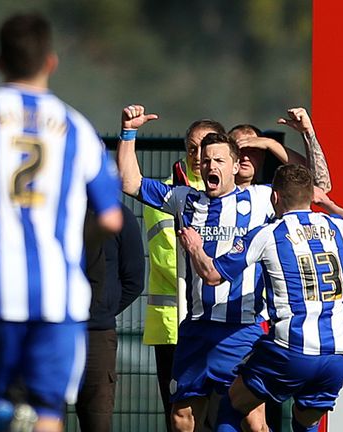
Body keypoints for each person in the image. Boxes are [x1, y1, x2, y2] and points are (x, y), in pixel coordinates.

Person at [0, 13, 123, 432]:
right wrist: (70, 245)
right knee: (48, 409)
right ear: (51, 62)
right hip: (57, 292)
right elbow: (111, 217)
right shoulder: (78, 127)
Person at [116, 105, 275, 432]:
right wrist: (128, 132)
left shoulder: (261, 199)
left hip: (241, 328)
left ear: (235, 165)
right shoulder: (183, 199)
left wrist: (278, 145)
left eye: (218, 160)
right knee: (181, 417)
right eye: (205, 160)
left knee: (253, 420)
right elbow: (130, 182)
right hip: (196, 328)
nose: (209, 165)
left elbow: (313, 185)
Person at [178, 164, 343, 432]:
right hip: (342, 353)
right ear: (310, 196)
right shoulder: (334, 226)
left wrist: (195, 247)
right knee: (304, 420)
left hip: (293, 349)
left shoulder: (269, 233)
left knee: (234, 402)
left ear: (275, 197)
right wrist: (327, 202)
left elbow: (212, 275)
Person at [142, 119, 221, 432]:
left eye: (205, 147)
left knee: (222, 414)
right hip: (173, 326)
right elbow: (167, 257)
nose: (198, 154)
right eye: (192, 147)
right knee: (180, 416)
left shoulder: (230, 193)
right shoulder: (165, 193)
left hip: (221, 322)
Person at [76, 204, 144, 432]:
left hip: (97, 334)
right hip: (51, 328)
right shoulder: (50, 207)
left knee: (97, 418)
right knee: (45, 413)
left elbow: (134, 280)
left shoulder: (119, 216)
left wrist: (103, 309)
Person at [229, 107, 332, 192]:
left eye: (253, 151)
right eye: (240, 150)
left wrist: (307, 133)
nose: (246, 157)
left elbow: (319, 186)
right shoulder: (215, 188)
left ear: (263, 156)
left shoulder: (273, 192)